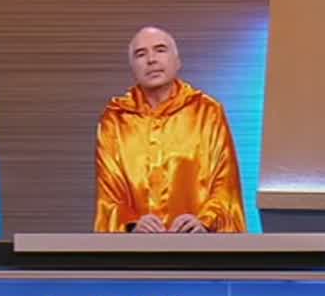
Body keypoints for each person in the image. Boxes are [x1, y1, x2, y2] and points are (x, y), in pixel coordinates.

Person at [93, 26, 247, 233]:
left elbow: (226, 184)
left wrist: (204, 221)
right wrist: (131, 224)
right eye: (141, 54)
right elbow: (109, 195)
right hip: (137, 246)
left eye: (160, 50)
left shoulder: (207, 112)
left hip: (198, 243)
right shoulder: (115, 119)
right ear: (132, 67)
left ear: (177, 61)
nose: (151, 60)